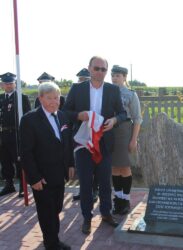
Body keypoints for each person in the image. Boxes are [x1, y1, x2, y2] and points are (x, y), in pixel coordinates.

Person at [63, 56, 127, 234]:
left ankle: (106, 213)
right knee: (85, 182)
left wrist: (114, 120)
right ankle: (86, 217)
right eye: (97, 68)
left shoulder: (113, 90)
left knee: (106, 182)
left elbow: (123, 114)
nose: (100, 72)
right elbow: (65, 112)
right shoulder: (77, 88)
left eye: (103, 69)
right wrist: (78, 115)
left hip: (104, 143)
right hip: (84, 143)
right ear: (89, 68)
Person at [20, 82, 74, 250]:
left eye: (56, 97)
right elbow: (26, 152)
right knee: (46, 212)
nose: (53, 101)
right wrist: (34, 177)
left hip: (59, 174)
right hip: (41, 177)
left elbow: (67, 143)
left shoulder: (62, 116)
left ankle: (53, 240)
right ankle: (51, 244)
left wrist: (70, 164)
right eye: (49, 98)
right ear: (40, 98)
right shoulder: (30, 120)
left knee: (56, 208)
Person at [110, 65, 142, 215]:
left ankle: (126, 200)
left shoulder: (130, 94)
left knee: (125, 167)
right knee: (114, 167)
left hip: (124, 131)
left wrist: (134, 140)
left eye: (118, 75)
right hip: (109, 132)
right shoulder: (107, 92)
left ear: (124, 77)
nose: (115, 78)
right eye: (113, 75)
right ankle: (118, 199)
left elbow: (137, 118)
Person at [0, 72, 31, 197]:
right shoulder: (1, 98)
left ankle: (23, 185)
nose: (8, 86)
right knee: (5, 160)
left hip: (16, 133)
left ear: (14, 84)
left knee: (19, 160)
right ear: (2, 85)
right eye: (6, 83)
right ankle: (9, 184)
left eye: (11, 83)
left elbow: (28, 116)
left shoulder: (21, 98)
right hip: (3, 134)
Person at [71, 68, 99, 203]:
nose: (82, 82)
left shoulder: (98, 92)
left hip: (96, 133)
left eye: (85, 79)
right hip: (80, 134)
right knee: (81, 167)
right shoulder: (76, 90)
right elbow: (69, 111)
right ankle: (83, 190)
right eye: (81, 79)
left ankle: (94, 190)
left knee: (94, 165)